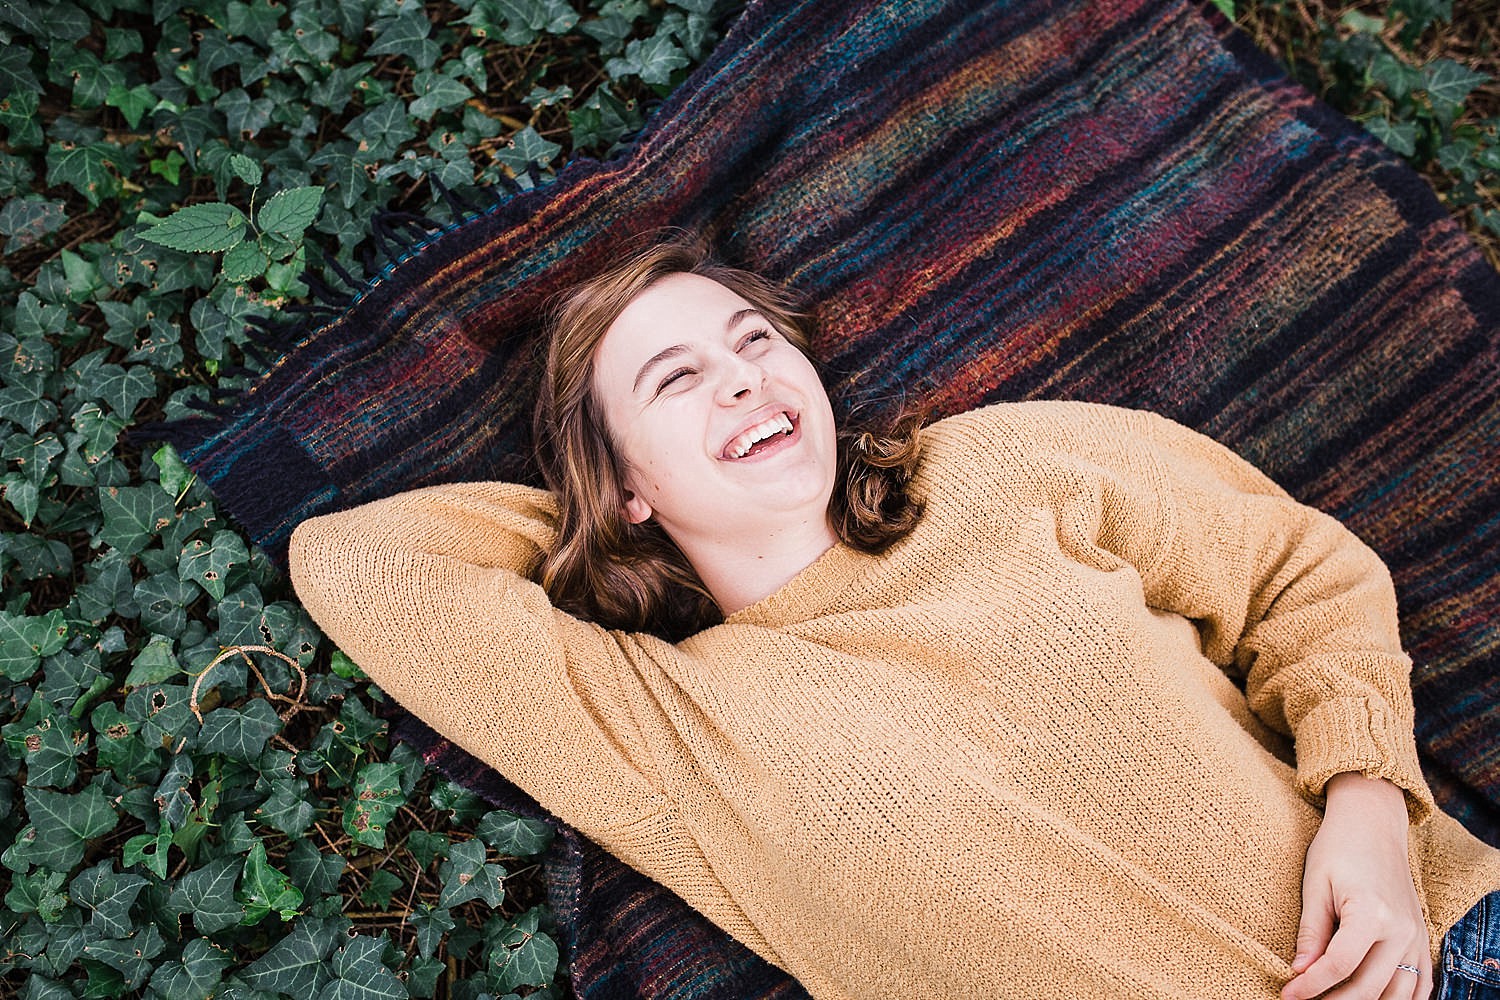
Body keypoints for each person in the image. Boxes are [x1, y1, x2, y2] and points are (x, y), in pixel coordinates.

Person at [289, 238, 1500, 1000]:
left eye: (754, 341)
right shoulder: (668, 728)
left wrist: (1370, 808)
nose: (744, 378)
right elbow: (362, 565)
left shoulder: (995, 470)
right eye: (678, 380)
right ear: (622, 484)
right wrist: (589, 511)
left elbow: (1299, 569)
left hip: (1448, 944)